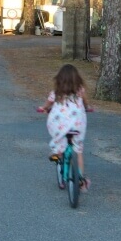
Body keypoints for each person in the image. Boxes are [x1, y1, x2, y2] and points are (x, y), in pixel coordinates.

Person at [39, 63, 91, 191]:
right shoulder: (80, 90)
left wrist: (43, 108)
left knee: (59, 137)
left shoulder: (56, 93)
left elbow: (48, 104)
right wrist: (87, 108)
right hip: (77, 125)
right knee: (78, 151)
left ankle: (58, 153)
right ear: (77, 78)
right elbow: (85, 104)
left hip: (59, 125)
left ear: (59, 79)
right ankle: (80, 178)